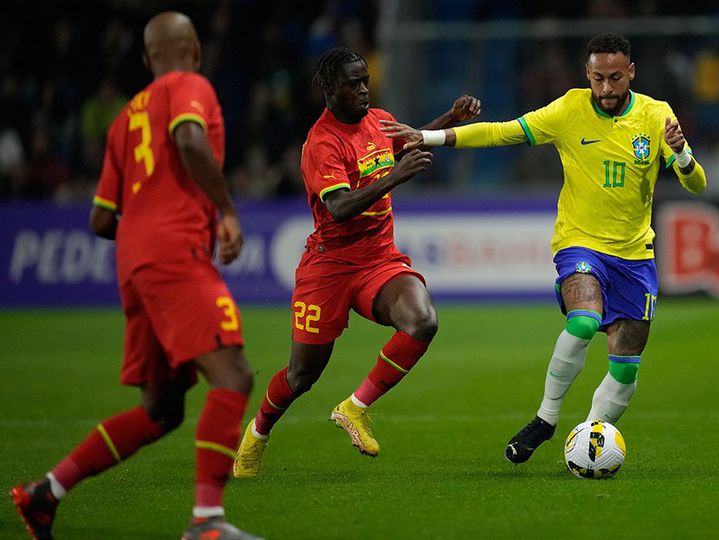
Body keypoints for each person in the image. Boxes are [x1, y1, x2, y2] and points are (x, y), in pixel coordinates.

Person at [382, 33, 707, 464]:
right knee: (585, 320)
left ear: (631, 72)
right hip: (580, 244)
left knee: (626, 367)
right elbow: (501, 133)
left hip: (635, 255)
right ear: (586, 75)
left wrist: (682, 153)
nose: (606, 89)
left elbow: (697, 184)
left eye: (615, 78)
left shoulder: (655, 115)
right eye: (598, 78)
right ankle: (546, 419)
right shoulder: (569, 109)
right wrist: (428, 136)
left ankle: (587, 441)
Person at [9, 12, 262, 540]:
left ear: (147, 59)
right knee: (233, 376)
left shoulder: (124, 118)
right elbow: (191, 142)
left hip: (133, 261)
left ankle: (44, 493)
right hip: (175, 253)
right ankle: (206, 524)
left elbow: (101, 218)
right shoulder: (190, 85)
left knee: (161, 410)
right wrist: (226, 211)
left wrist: (145, 222)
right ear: (194, 48)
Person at [231, 47, 480, 477]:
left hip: (379, 259)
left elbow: (408, 139)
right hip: (329, 268)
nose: (363, 89)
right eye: (353, 82)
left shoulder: (377, 120)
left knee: (422, 321)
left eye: (365, 80)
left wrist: (448, 119)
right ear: (330, 89)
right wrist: (395, 176)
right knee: (301, 376)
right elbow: (339, 207)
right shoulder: (321, 144)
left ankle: (355, 407)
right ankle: (256, 434)